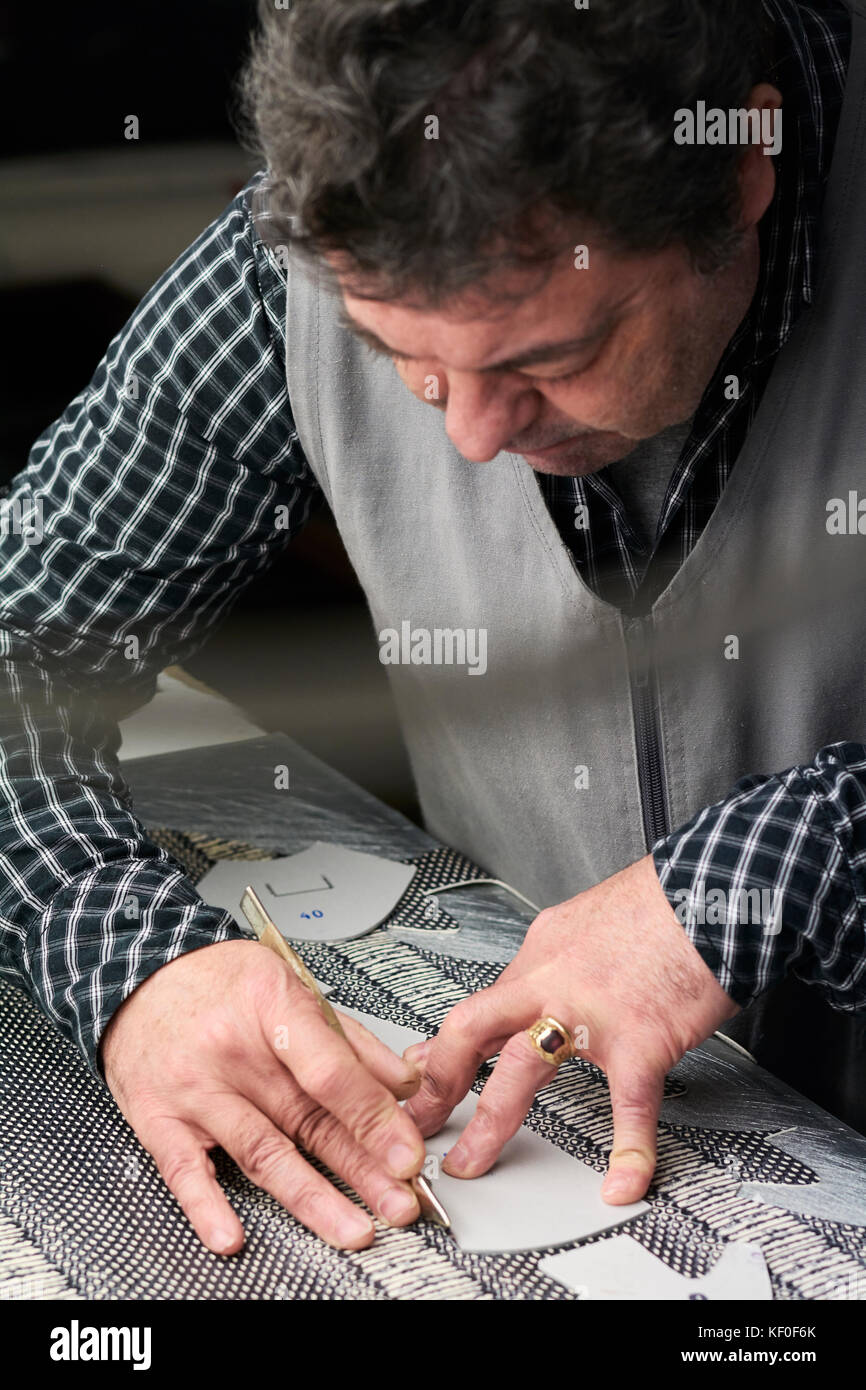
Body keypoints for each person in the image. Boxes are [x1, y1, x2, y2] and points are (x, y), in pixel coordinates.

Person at [2, 0, 864, 1255]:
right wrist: (133, 962)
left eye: (547, 356)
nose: (464, 437)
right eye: (400, 355)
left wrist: (779, 866)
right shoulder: (310, 242)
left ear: (739, 168)